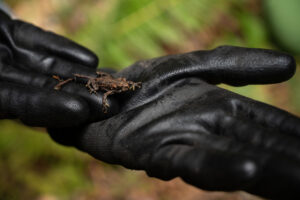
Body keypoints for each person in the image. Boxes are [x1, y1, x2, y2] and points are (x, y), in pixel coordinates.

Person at [0, 9, 299, 200]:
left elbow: (123, 86)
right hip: (95, 85)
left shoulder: (125, 86)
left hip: (100, 82)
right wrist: (102, 93)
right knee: (89, 88)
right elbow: (101, 87)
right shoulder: (105, 86)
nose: (129, 87)